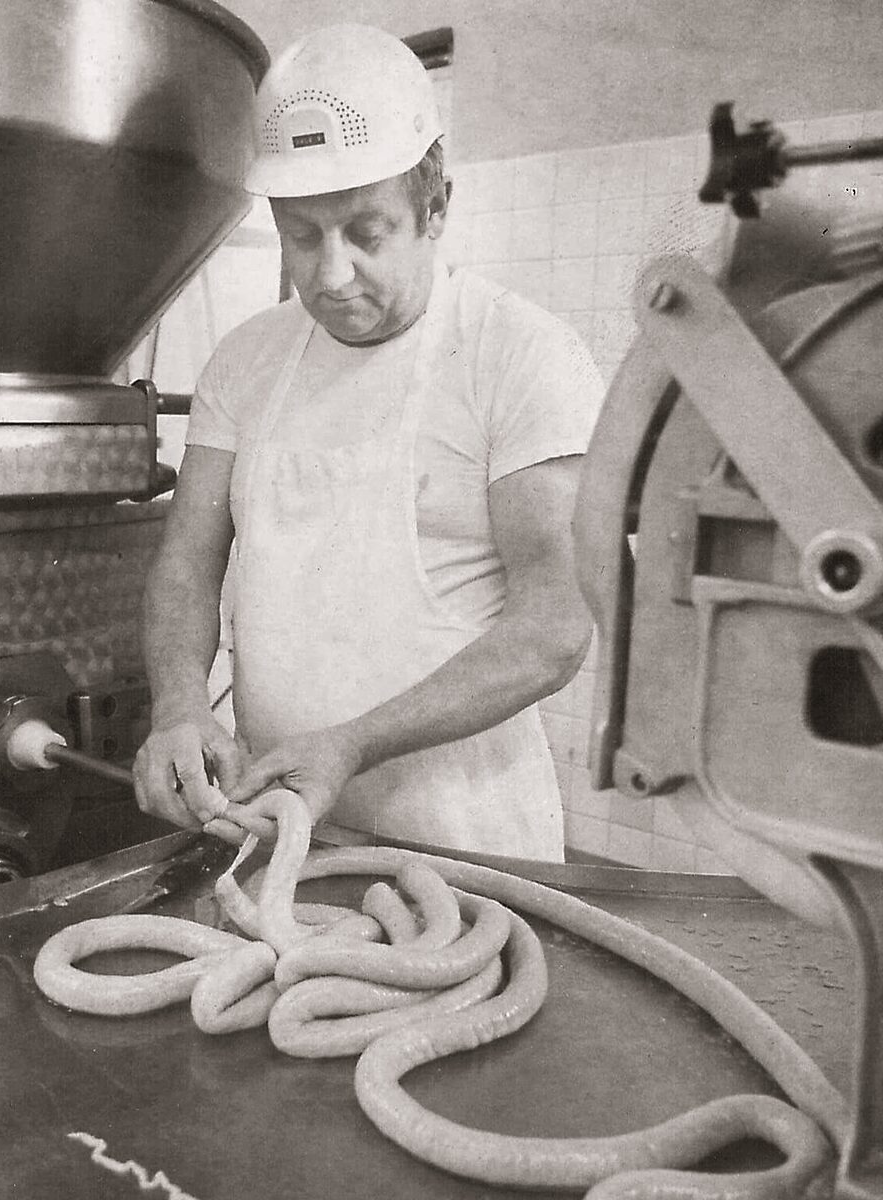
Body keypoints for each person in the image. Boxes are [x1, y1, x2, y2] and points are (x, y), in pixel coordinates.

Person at [133, 23, 603, 862]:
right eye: (303, 236)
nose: (331, 274)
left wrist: (350, 745)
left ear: (436, 208)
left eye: (366, 231)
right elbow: (186, 562)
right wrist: (178, 705)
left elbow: (554, 628)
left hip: (469, 841)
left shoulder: (523, 355)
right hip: (281, 829)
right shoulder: (246, 362)